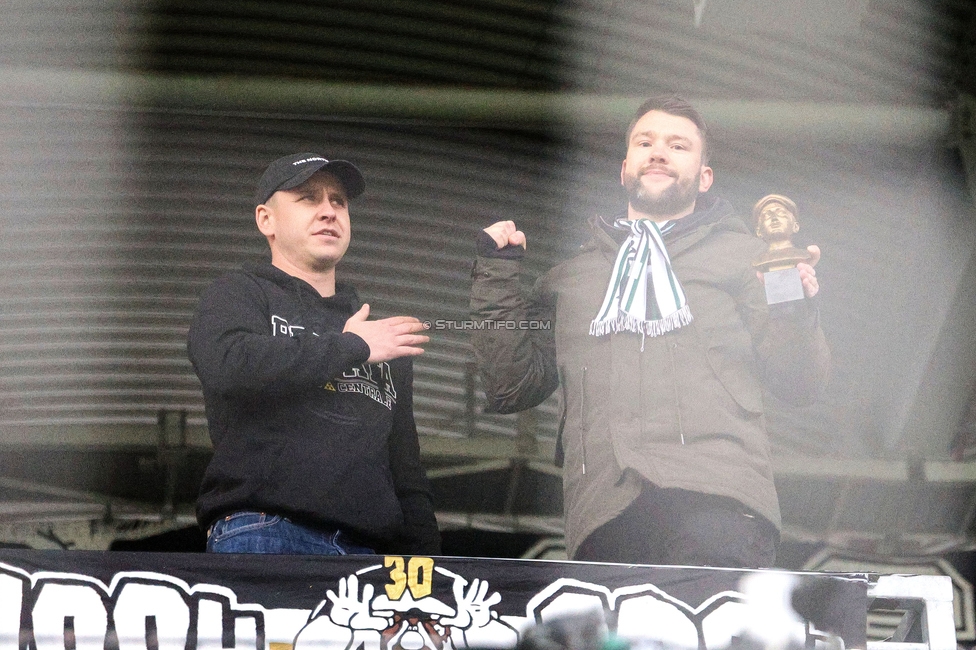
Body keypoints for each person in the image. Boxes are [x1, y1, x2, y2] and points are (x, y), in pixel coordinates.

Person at [469, 96, 829, 567]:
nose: (658, 152)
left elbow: (799, 382)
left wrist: (794, 309)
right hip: (606, 511)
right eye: (645, 142)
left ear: (704, 177)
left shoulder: (751, 257)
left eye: (678, 146)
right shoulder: (570, 277)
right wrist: (496, 273)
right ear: (624, 169)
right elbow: (512, 385)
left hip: (718, 499)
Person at [188, 152, 441, 556]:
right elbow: (229, 366)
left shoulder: (380, 335)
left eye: (338, 201)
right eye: (308, 198)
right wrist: (353, 346)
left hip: (370, 550)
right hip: (266, 530)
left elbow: (405, 470)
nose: (328, 211)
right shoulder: (239, 292)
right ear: (265, 220)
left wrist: (429, 565)